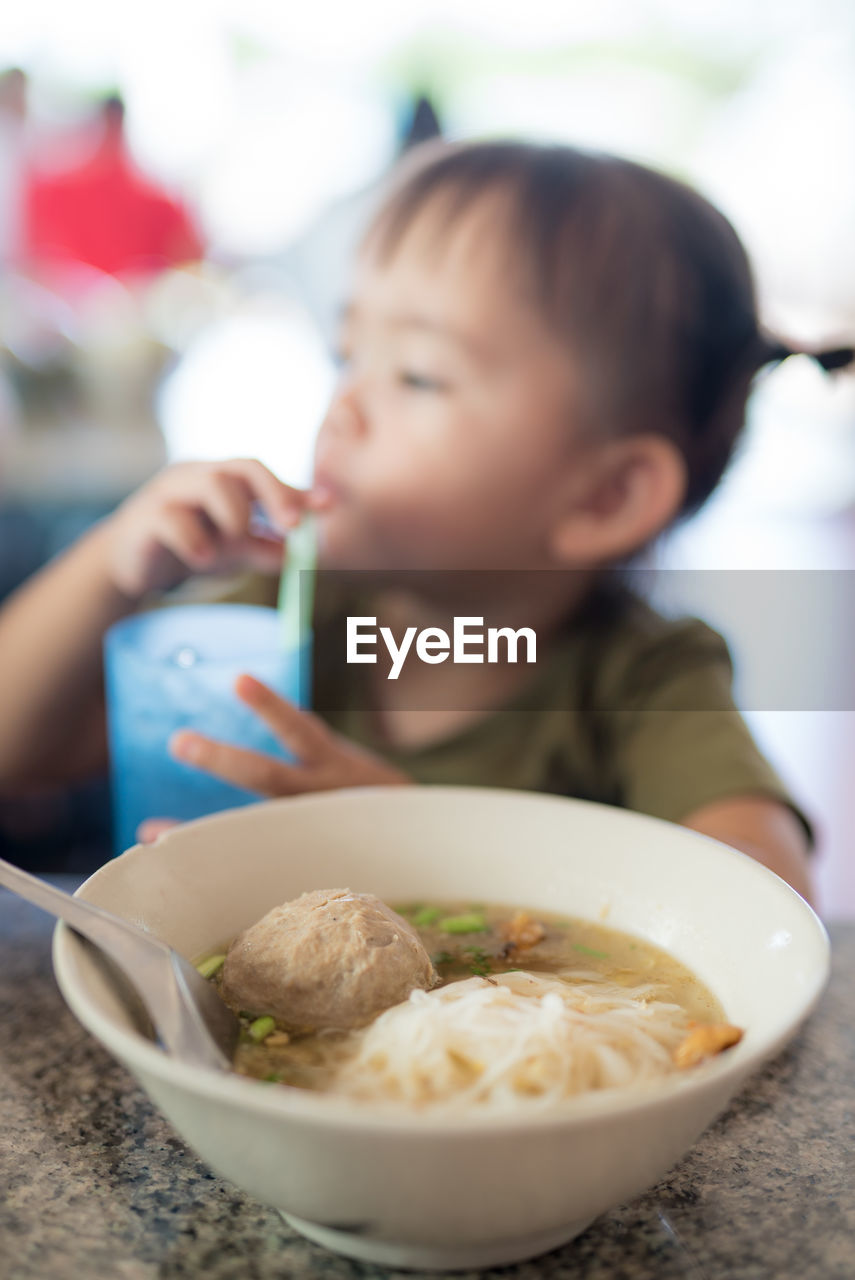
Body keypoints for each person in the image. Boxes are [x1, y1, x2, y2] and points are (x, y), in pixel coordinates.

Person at [0, 140, 847, 902]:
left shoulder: (643, 679)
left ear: (605, 497)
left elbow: (766, 895)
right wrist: (110, 561)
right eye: (347, 355)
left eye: (417, 375)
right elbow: (18, 753)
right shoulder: (282, 616)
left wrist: (420, 847)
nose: (343, 406)